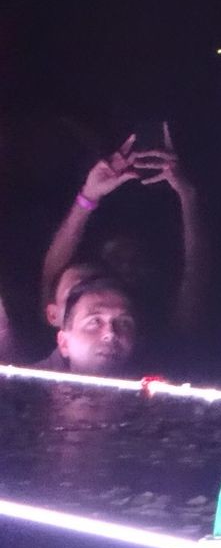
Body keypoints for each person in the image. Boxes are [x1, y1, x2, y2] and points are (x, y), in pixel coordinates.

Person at [38, 126, 208, 370]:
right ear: (55, 319)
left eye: (123, 322)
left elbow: (194, 282)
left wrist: (188, 195)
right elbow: (51, 273)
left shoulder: (148, 354)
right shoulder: (36, 374)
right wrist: (87, 197)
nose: (109, 333)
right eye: (94, 320)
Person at [52, 274, 139, 378]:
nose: (111, 334)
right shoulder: (35, 385)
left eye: (123, 323)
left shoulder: (153, 385)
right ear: (64, 343)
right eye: (95, 321)